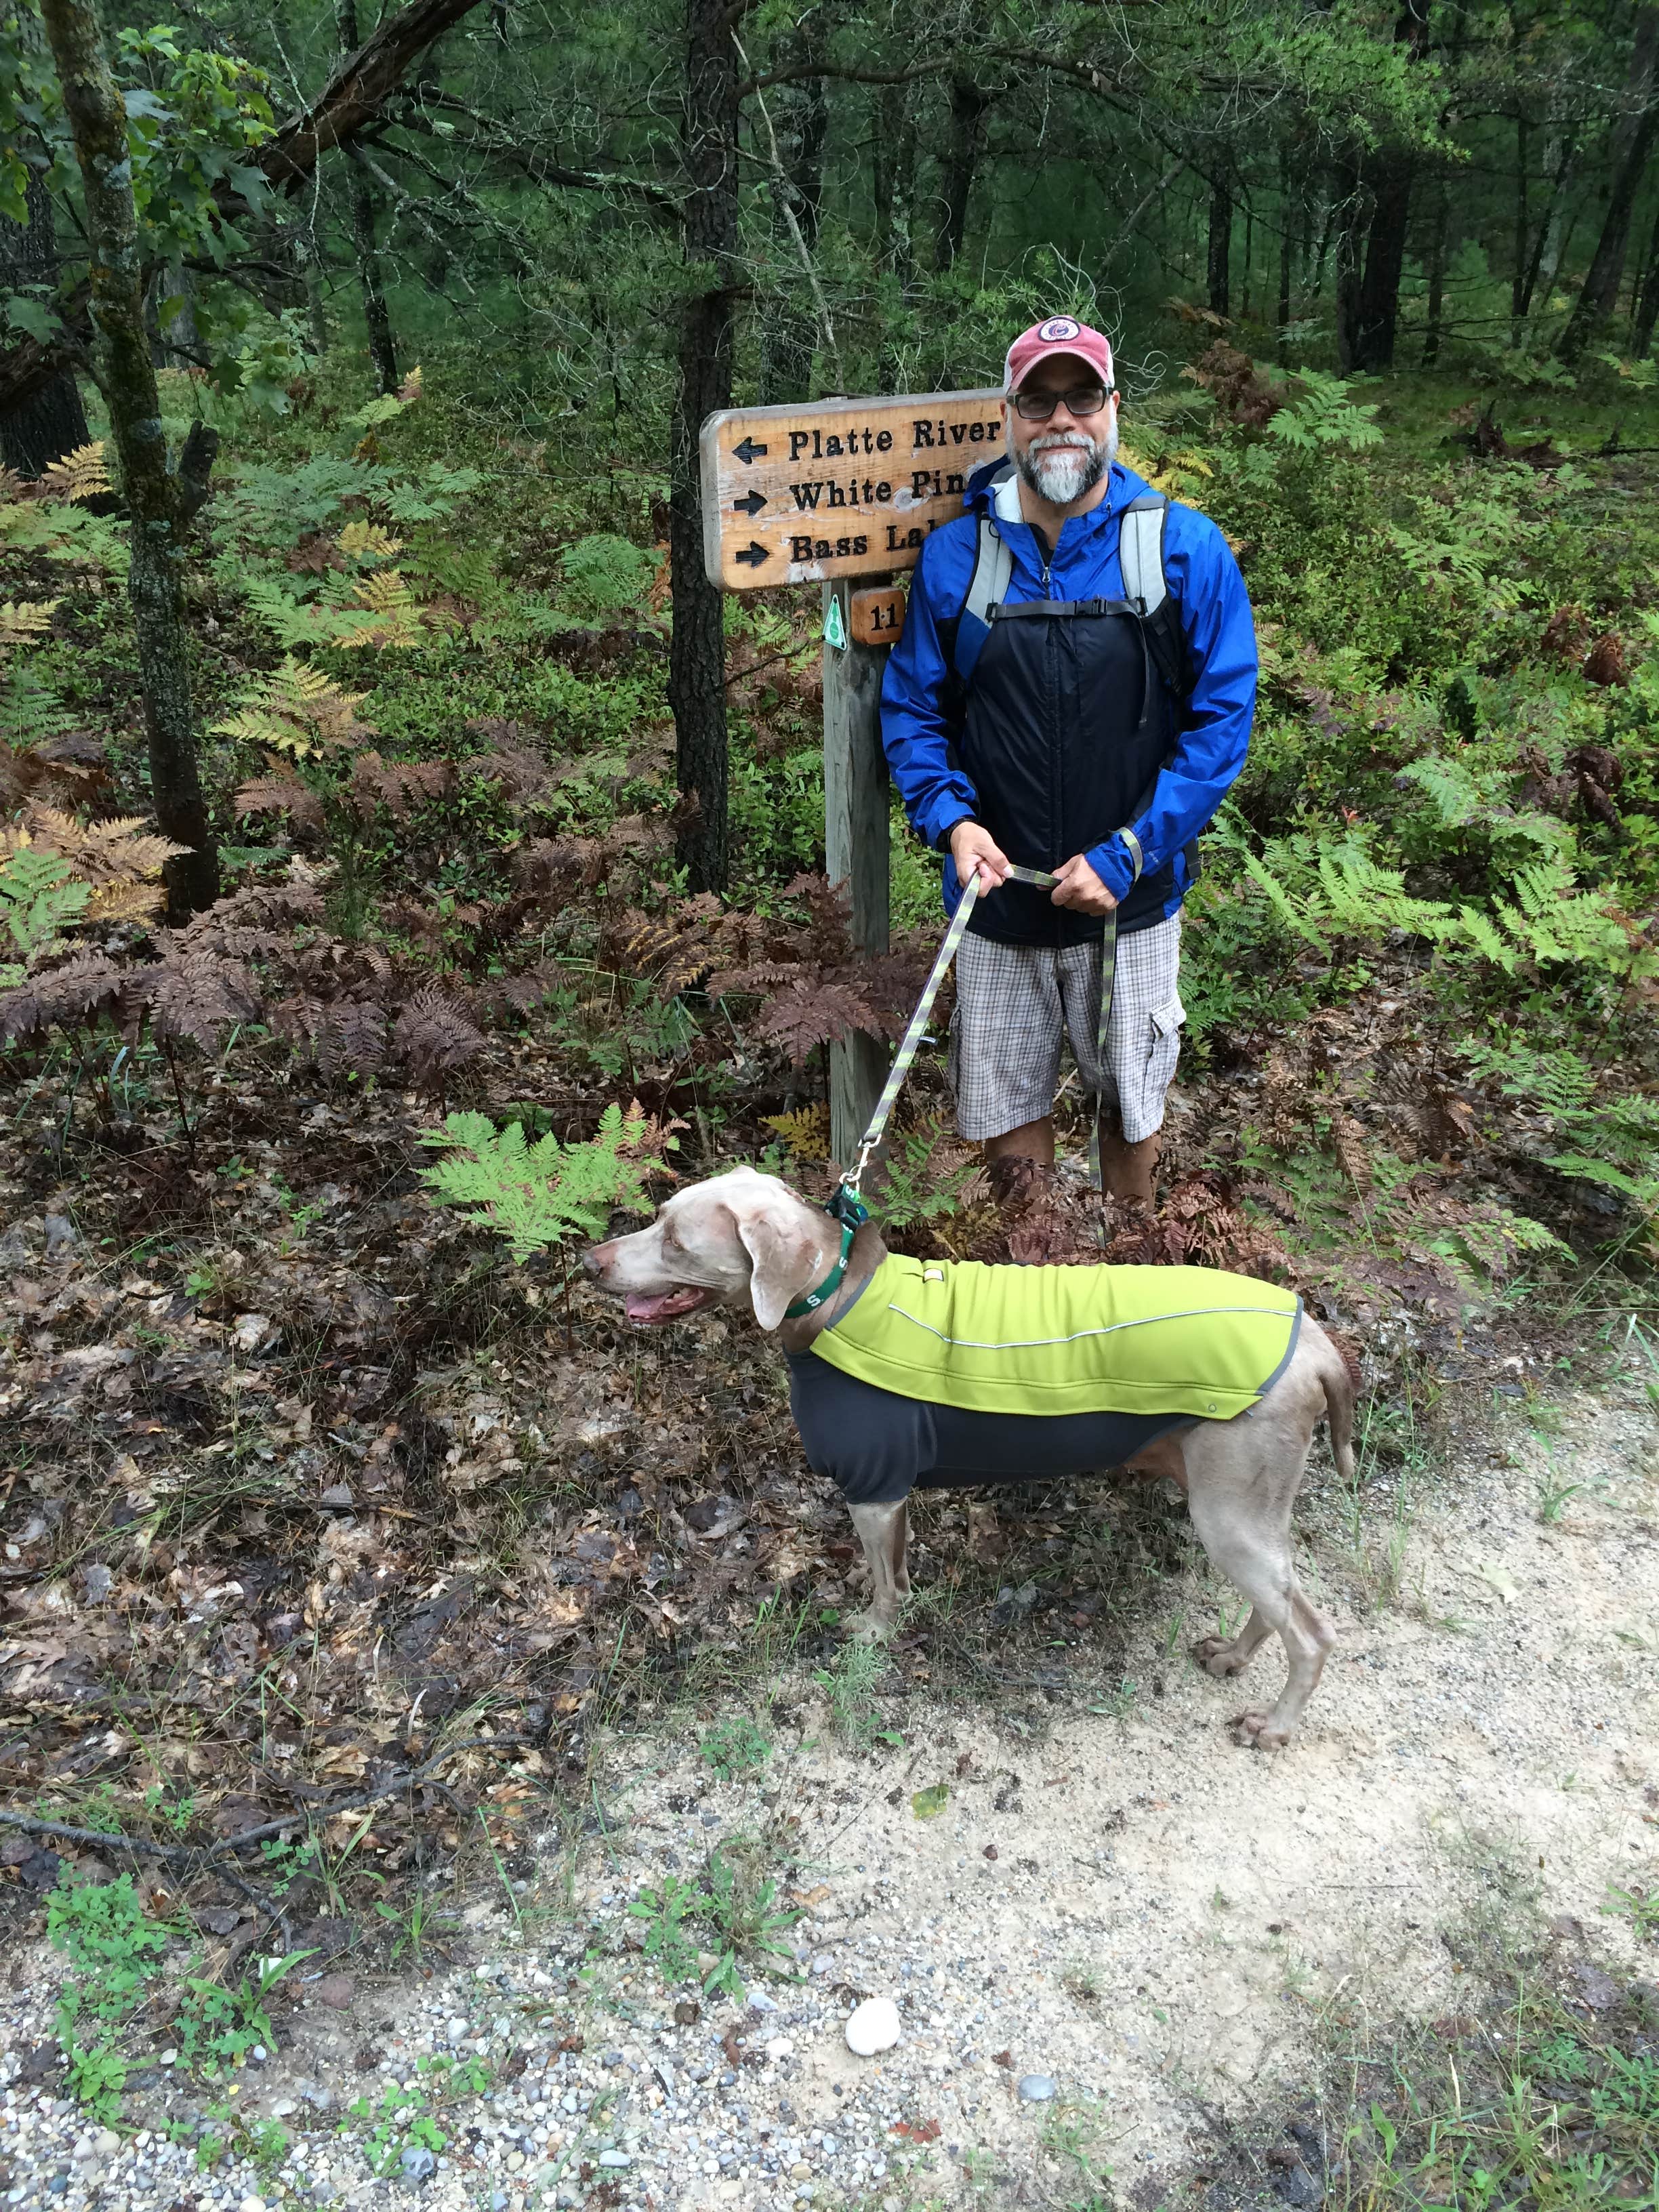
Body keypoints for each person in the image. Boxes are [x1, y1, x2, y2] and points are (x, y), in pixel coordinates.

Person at [880, 314, 1257, 1202]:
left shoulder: (1181, 549)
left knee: (1131, 1110)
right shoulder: (957, 557)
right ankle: (1033, 1295)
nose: (1062, 421)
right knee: (1009, 1119)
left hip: (1132, 902)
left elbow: (1221, 722)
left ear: (1113, 408)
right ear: (1007, 416)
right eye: (1040, 402)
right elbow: (914, 709)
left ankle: (1127, 1276)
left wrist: (1134, 851)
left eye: (1082, 398)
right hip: (998, 905)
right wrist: (953, 821)